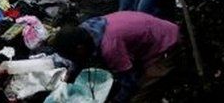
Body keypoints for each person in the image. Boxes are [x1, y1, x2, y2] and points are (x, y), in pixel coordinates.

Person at [50, 11, 180, 103]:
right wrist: (71, 75)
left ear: (79, 49)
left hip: (167, 43)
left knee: (140, 95)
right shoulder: (86, 28)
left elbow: (129, 82)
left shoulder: (110, 48)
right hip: (150, 36)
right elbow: (79, 58)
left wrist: (117, 100)